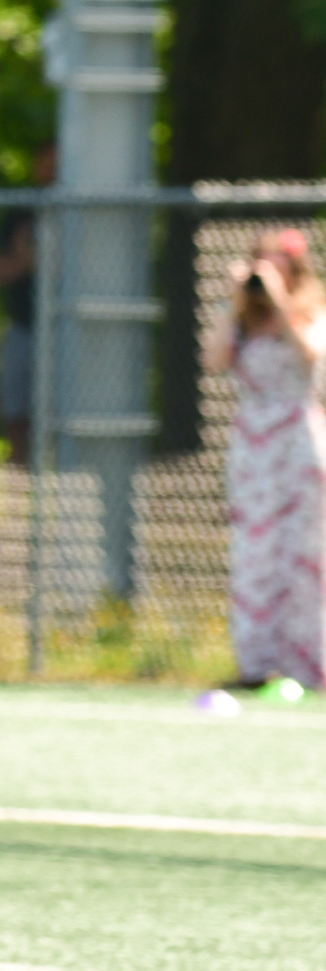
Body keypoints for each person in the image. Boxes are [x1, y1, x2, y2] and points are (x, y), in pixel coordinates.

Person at [202, 229, 326, 688]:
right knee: (255, 553)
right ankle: (255, 665)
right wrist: (232, 302)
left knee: (303, 555)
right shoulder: (240, 318)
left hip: (297, 442)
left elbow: (313, 356)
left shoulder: (310, 313)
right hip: (254, 447)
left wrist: (279, 301)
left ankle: (307, 667)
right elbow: (214, 361)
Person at [0, 145, 56, 466]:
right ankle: (21, 478)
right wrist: (29, 260)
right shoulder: (20, 214)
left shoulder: (82, 213)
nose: (52, 169)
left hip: (67, 332)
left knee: (62, 412)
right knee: (16, 411)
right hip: (22, 326)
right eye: (46, 160)